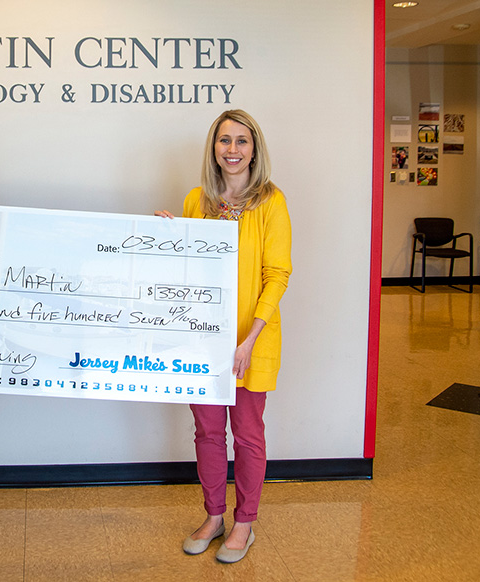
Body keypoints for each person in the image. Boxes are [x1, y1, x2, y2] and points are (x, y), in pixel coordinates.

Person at [156, 109, 291, 564]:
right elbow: (188, 269)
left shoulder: (271, 201)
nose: (232, 150)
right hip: (203, 341)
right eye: (224, 141)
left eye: (242, 141)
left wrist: (250, 339)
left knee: (248, 435)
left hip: (250, 342)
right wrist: (165, 237)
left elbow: (277, 275)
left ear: (255, 149)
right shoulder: (199, 199)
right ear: (213, 148)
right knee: (208, 432)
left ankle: (245, 523)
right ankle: (214, 516)